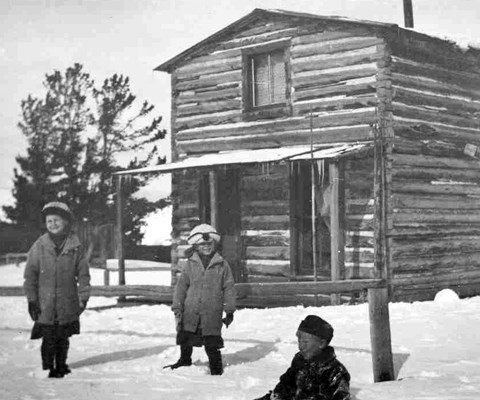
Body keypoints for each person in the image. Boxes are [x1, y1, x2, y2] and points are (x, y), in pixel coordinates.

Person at [24, 201, 91, 378]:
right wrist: (32, 300)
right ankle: (47, 368)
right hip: (44, 302)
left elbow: (83, 275)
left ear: (65, 222)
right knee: (48, 338)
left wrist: (83, 298)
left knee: (62, 337)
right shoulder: (39, 246)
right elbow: (30, 275)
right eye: (49, 221)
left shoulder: (75, 247)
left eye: (56, 220)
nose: (53, 224)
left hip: (67, 302)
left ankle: (61, 366)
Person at [166, 223, 236, 375]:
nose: (206, 247)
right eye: (202, 244)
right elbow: (181, 287)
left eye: (209, 243)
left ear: (214, 244)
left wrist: (229, 310)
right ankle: (184, 360)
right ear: (196, 246)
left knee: (212, 342)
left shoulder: (222, 265)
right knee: (186, 337)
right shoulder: (190, 264)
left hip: (212, 312)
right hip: (191, 310)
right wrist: (177, 307)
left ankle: (216, 369)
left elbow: (229, 287)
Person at [254, 315, 351, 400]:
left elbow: (342, 396)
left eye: (305, 342)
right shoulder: (299, 362)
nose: (300, 346)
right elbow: (283, 388)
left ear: (321, 343)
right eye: (299, 341)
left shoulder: (336, 372)